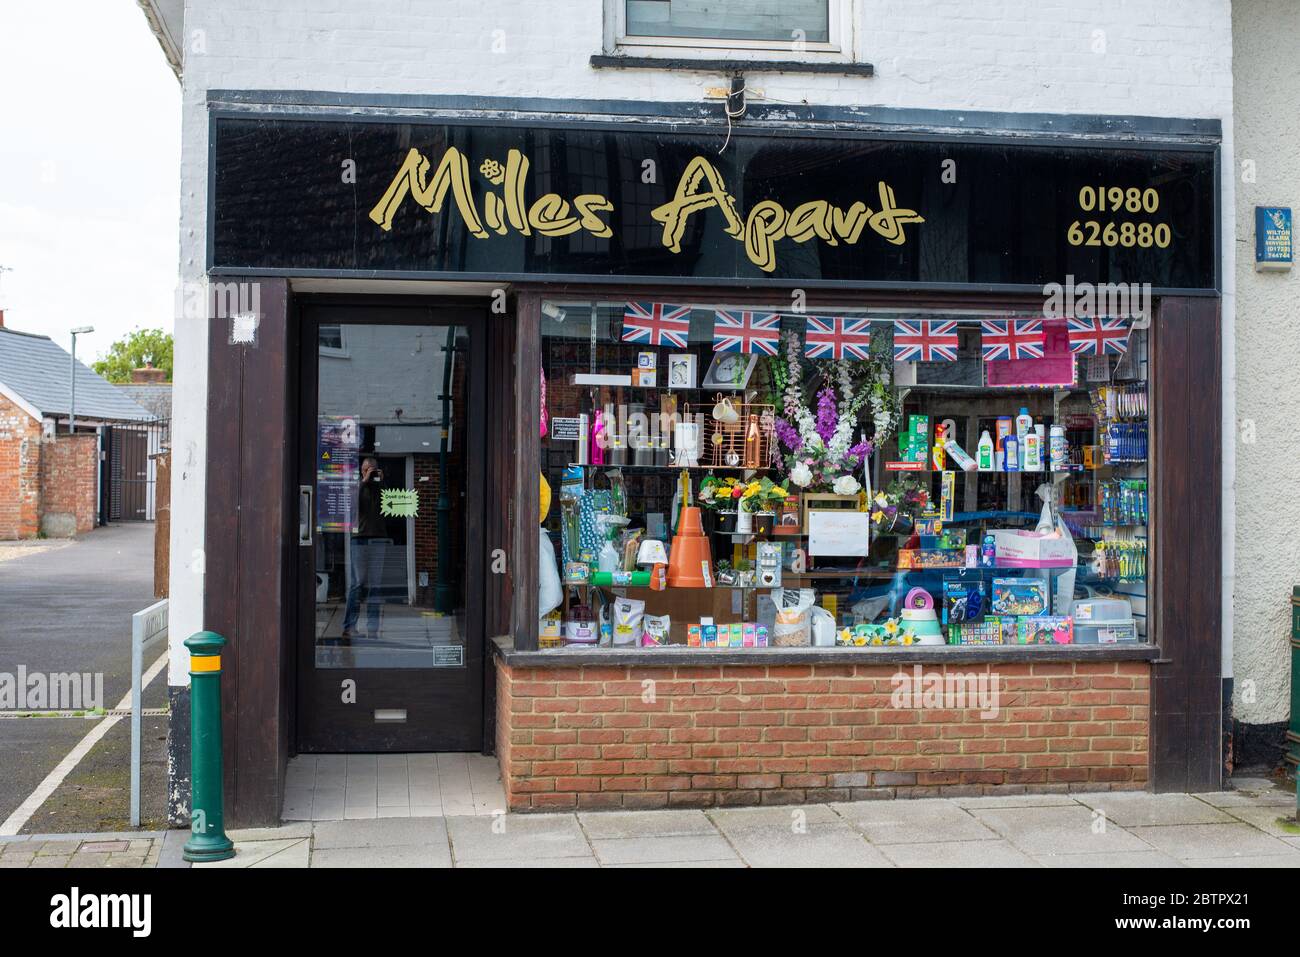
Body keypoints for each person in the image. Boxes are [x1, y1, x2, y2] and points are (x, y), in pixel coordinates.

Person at [342, 456, 386, 639]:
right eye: (367, 469)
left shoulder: (380, 488)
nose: (371, 472)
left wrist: (381, 483)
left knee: (375, 586)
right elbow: (350, 504)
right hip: (359, 540)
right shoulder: (356, 487)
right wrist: (364, 481)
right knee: (358, 584)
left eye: (373, 469)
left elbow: (391, 507)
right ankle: (349, 627)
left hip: (378, 540)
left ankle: (373, 630)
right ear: (362, 470)